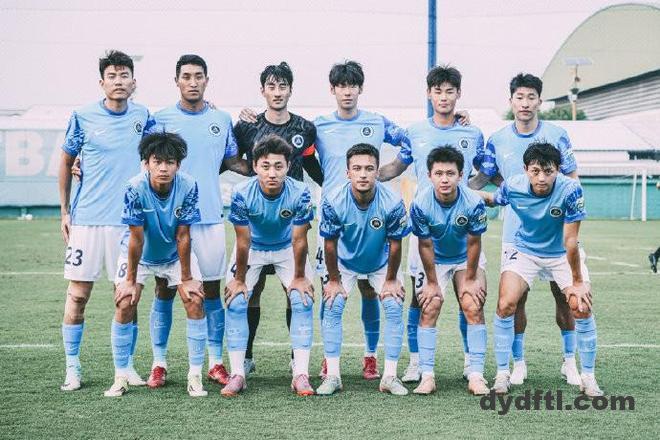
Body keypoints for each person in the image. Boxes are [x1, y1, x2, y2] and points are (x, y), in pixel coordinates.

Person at [469, 73, 584, 387]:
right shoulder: (497, 139)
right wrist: (458, 190)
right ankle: (518, 363)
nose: (525, 103)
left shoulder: (557, 134)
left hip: (557, 234)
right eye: (519, 97)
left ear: (539, 101)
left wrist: (569, 215)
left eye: (531, 97)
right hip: (517, 236)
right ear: (511, 101)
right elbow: (485, 179)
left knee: (565, 298)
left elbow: (573, 178)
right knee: (514, 300)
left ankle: (569, 362)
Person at [146, 54, 249, 388]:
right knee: (163, 289)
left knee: (211, 291)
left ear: (207, 80)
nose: (193, 82)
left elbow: (233, 161)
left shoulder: (221, 119)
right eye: (186, 76)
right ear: (176, 81)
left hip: (208, 219)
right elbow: (142, 163)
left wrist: (273, 165)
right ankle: (159, 363)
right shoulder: (159, 120)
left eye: (198, 76)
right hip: (167, 221)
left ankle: (215, 362)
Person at [378, 65, 486, 383]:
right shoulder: (415, 132)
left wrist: (470, 192)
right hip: (424, 229)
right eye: (437, 91)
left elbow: (487, 171)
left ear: (458, 94)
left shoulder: (472, 133)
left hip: (462, 229)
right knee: (421, 298)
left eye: (450, 91)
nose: (444, 97)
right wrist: (367, 176)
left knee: (470, 299)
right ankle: (416, 362)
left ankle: (471, 362)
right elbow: (395, 167)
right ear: (428, 94)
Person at [58, 50, 153, 391]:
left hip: (128, 223)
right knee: (77, 295)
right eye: (112, 76)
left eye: (124, 75)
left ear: (133, 82)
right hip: (87, 221)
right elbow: (66, 161)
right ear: (102, 82)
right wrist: (65, 211)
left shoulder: (144, 117)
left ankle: (125, 367)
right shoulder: (83, 116)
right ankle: (72, 367)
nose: (118, 81)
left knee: (127, 296)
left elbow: (159, 153)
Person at [481, 142, 602, 397]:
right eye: (535, 171)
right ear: (526, 169)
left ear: (558, 169)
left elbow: (571, 241)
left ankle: (588, 377)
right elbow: (493, 199)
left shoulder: (571, 190)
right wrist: (463, 191)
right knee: (505, 304)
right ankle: (503, 373)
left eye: (548, 171)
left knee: (580, 306)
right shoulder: (513, 185)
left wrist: (578, 283)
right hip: (525, 251)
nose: (541, 178)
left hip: (561, 253)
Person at [232, 62, 323, 375]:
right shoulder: (247, 126)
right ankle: (245, 357)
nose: (277, 92)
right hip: (257, 220)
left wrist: (335, 186)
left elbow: (311, 165)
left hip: (291, 221)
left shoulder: (304, 128)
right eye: (271, 86)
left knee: (294, 290)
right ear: (262, 91)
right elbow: (230, 158)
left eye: (282, 86)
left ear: (290, 90)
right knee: (251, 290)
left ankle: (297, 360)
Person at [105, 131, 207, 397]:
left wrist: (186, 278)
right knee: (124, 302)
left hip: (173, 254)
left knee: (195, 299)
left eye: (170, 162)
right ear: (146, 163)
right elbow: (136, 238)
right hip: (139, 255)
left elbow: (183, 234)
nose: (163, 168)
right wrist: (130, 280)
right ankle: (120, 376)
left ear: (178, 165)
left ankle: (195, 376)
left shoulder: (188, 185)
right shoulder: (135, 187)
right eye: (157, 161)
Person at [222, 134, 315, 397]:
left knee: (302, 299)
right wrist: (239, 281)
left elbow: (299, 239)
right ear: (254, 166)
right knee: (236, 301)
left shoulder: (300, 191)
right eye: (265, 166)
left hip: (286, 248)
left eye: (278, 166)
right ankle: (238, 373)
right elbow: (243, 241)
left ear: (288, 166)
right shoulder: (241, 192)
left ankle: (301, 373)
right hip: (253, 248)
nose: (272, 173)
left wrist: (299, 277)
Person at [317, 144, 410, 396]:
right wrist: (334, 280)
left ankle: (389, 376)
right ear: (347, 172)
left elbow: (396, 244)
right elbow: (329, 244)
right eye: (356, 168)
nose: (363, 174)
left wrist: (391, 280)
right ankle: (333, 375)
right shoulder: (333, 201)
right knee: (333, 303)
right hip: (344, 262)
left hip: (380, 262)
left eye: (369, 169)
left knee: (393, 304)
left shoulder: (392, 202)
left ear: (377, 171)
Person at [409, 146, 489, 395]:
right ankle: (427, 376)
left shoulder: (473, 202)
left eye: (450, 173)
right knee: (429, 305)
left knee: (472, 305)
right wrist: (432, 283)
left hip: (465, 258)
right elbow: (425, 245)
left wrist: (472, 278)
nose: (445, 179)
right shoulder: (420, 204)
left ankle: (476, 375)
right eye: (439, 173)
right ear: (429, 175)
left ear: (461, 175)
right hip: (435, 259)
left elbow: (474, 242)